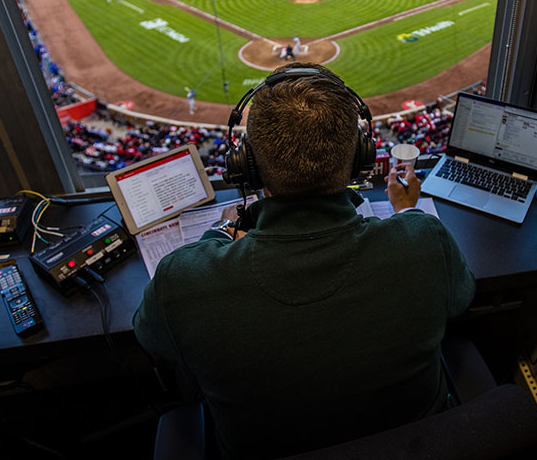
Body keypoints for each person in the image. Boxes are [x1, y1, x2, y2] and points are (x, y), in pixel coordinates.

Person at [134, 63, 475, 459]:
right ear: (358, 161)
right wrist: (406, 213)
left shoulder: (183, 280)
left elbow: (151, 336)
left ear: (247, 166)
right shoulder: (424, 240)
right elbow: (461, 299)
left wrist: (221, 232)